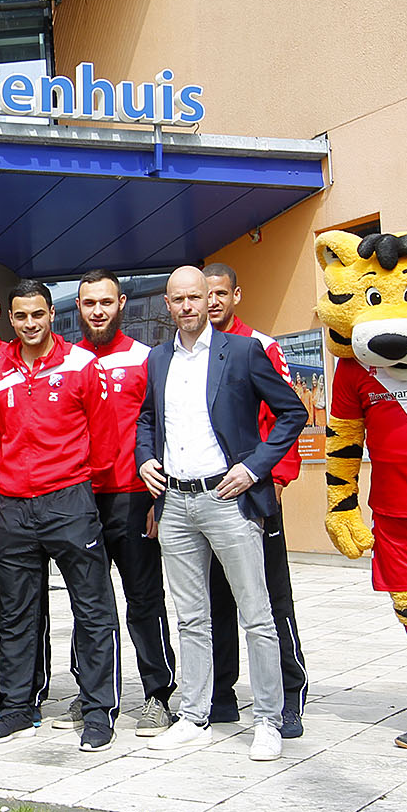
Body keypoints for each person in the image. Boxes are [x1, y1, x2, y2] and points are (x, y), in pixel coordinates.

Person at [136, 266, 307, 762]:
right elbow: (147, 417)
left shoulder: (244, 352)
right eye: (179, 299)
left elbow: (292, 412)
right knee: (190, 618)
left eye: (197, 297)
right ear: (166, 305)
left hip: (228, 499)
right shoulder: (159, 359)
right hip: (176, 502)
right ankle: (193, 716)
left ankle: (270, 721)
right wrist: (145, 455)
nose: (190, 306)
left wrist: (254, 469)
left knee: (258, 617)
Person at [0, 280, 121, 751]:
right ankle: (19, 706)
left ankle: (99, 709)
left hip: (70, 501)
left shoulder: (83, 366)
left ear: (52, 314)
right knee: (17, 613)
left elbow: (104, 442)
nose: (29, 324)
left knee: (92, 606)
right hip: (13, 509)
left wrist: (78, 486)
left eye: (37, 315)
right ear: (10, 319)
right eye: (20, 317)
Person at [200, 262, 310, 738]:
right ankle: (220, 697)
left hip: (254, 497)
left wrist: (275, 482)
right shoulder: (188, 355)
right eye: (204, 295)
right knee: (216, 601)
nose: (212, 302)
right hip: (205, 499)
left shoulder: (257, 347)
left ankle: (288, 697)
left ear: (236, 295)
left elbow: (285, 416)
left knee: (270, 600)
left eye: (221, 293)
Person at [69, 271, 177, 737]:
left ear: (122, 303)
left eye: (106, 302)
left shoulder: (145, 359)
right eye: (89, 302)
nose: (97, 311)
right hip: (79, 501)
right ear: (77, 307)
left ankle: (158, 694)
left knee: (143, 601)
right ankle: (90, 691)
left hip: (134, 500)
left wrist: (160, 498)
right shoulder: (66, 361)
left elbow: (162, 429)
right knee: (86, 604)